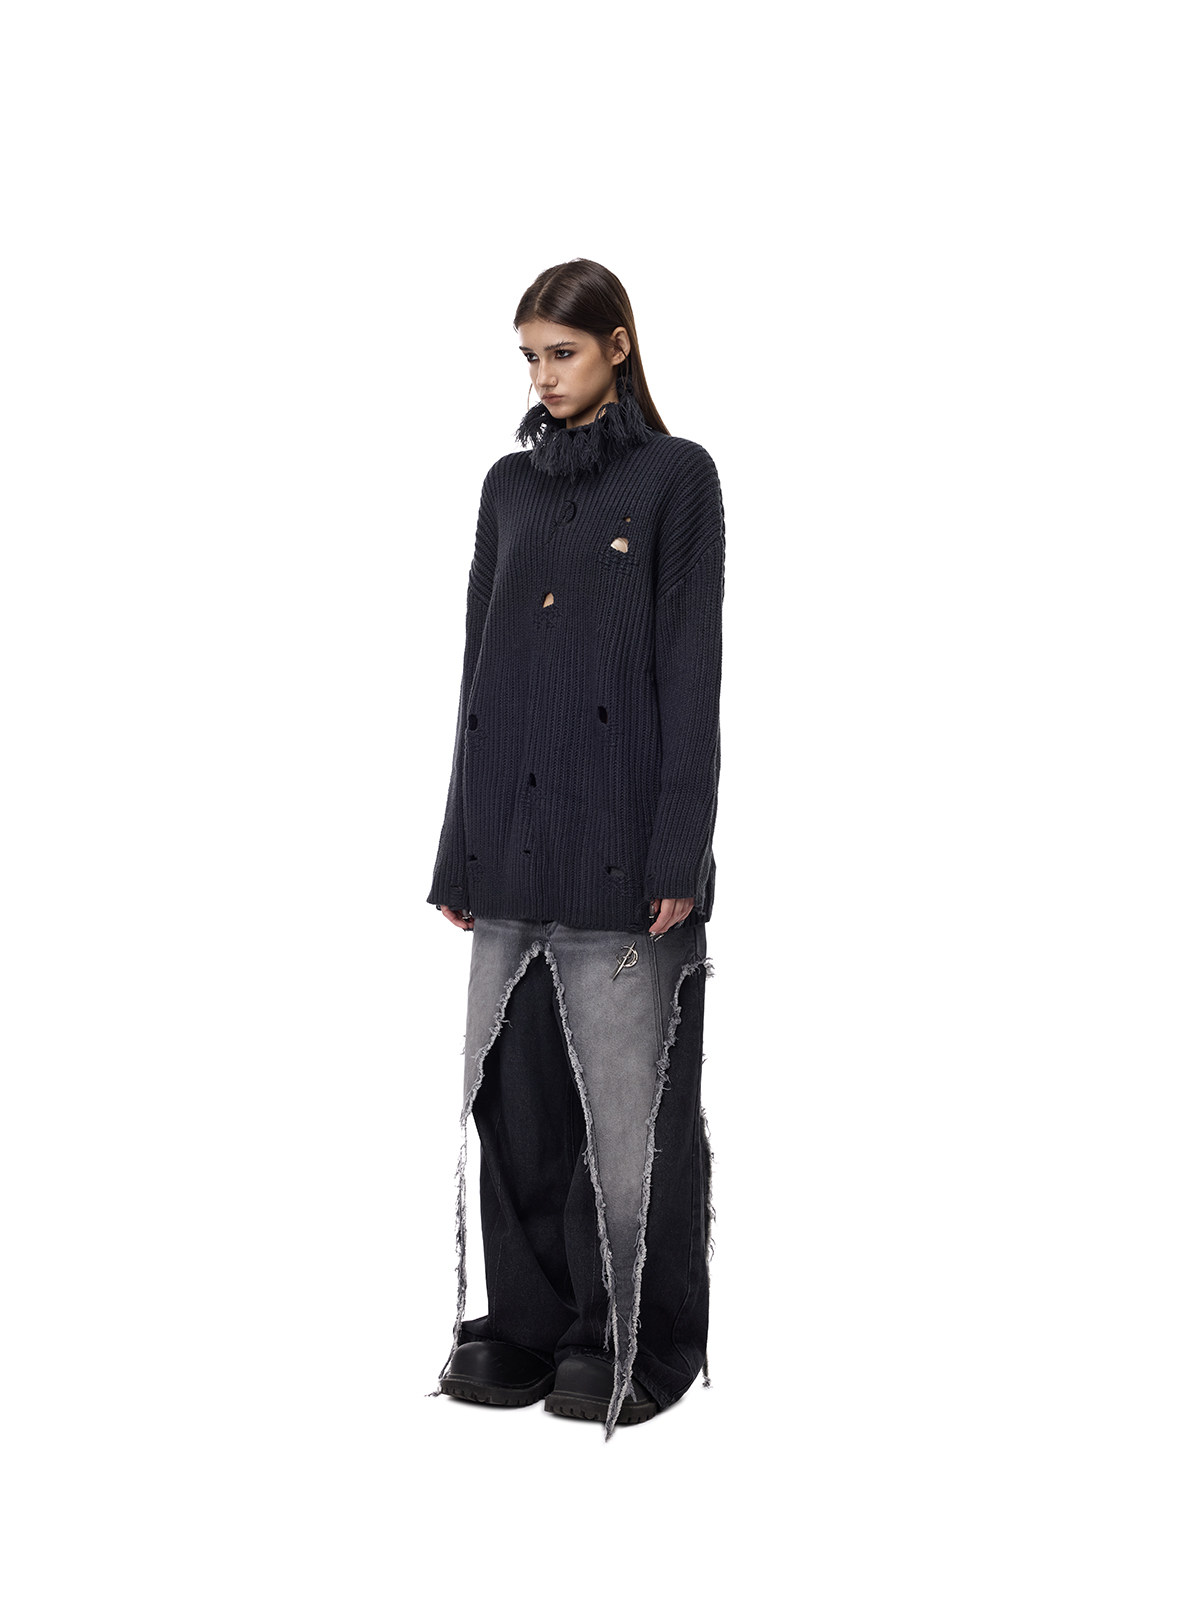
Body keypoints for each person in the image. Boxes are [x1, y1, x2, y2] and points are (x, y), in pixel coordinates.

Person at [426, 258, 726, 1441]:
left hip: (625, 853)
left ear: (617, 347)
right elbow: (479, 676)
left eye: (563, 352)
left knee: (631, 1111)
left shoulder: (677, 479)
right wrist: (459, 849)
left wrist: (678, 852)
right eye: (530, 357)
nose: (544, 376)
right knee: (519, 1104)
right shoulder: (505, 487)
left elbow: (690, 676)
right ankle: (528, 1323)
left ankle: (634, 1334)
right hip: (512, 844)